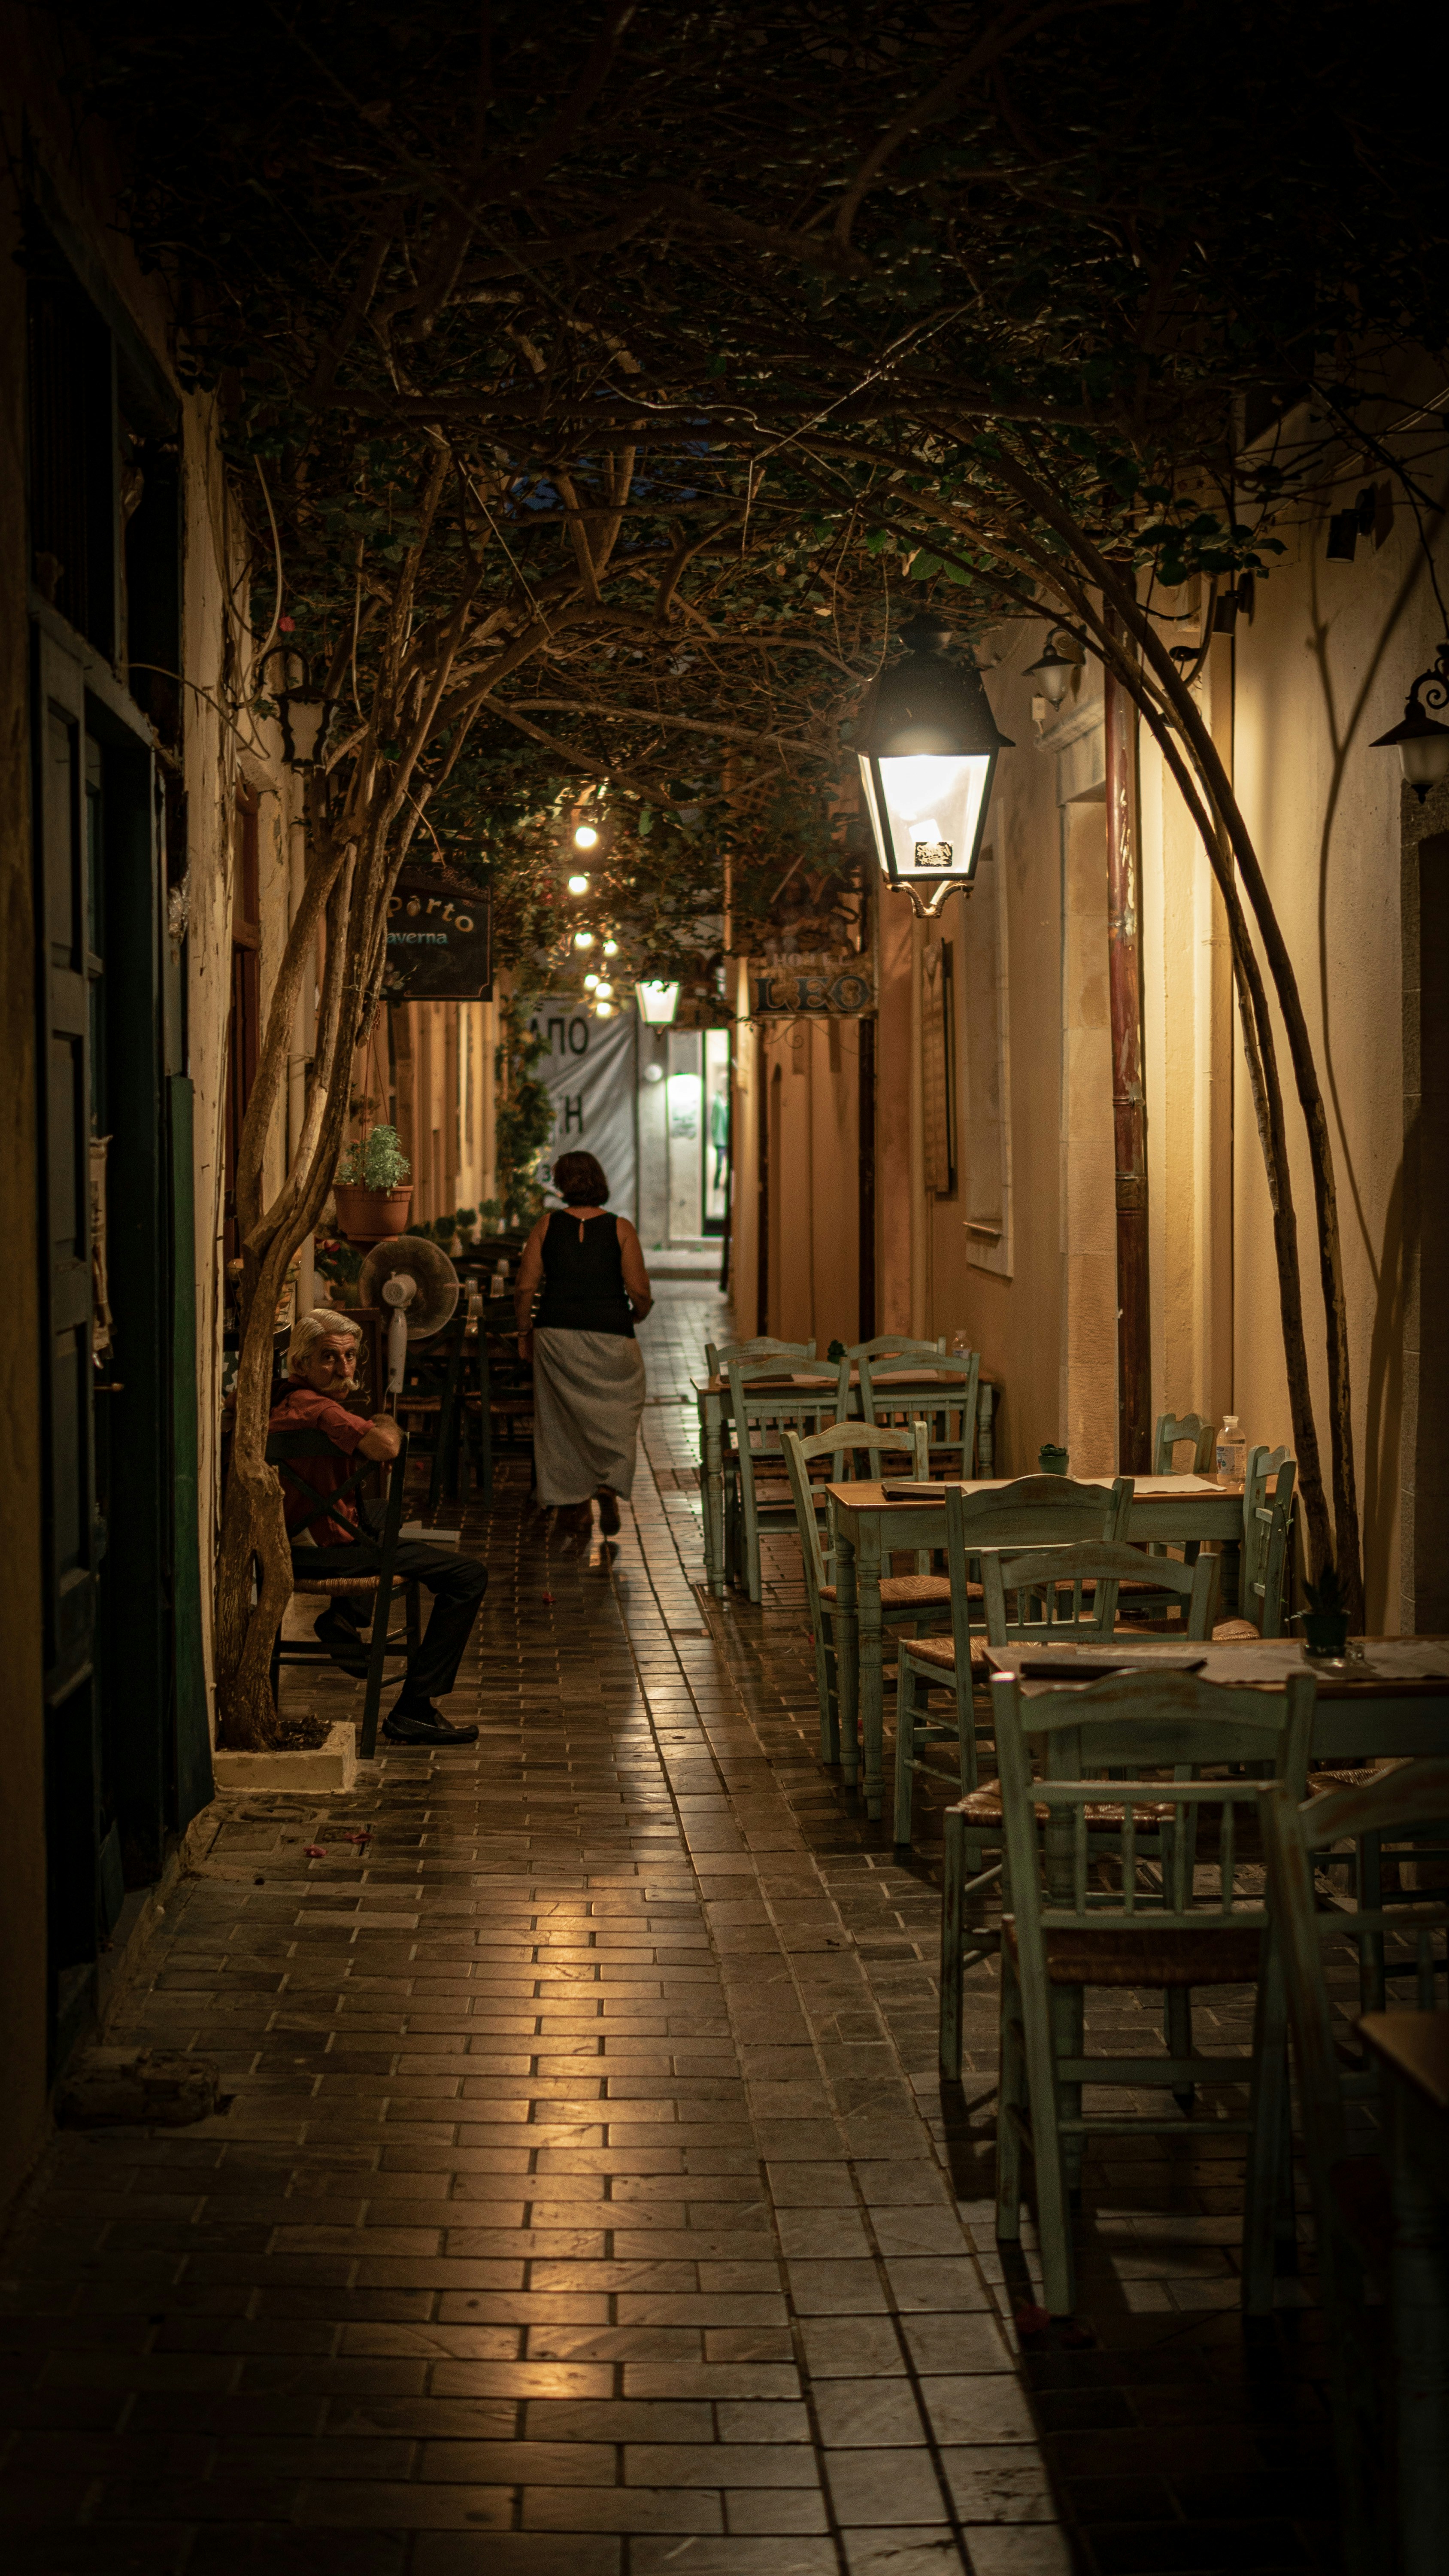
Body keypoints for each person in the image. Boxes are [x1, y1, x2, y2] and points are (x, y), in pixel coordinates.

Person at [269, 1309, 485, 1747]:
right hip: (327, 1550)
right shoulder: (321, 1409)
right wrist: (384, 1420)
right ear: (301, 1363)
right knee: (468, 1577)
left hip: (291, 1535)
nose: (343, 1369)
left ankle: (345, 1619)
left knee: (382, 1509)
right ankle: (414, 1709)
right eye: (328, 1358)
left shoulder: (281, 1396)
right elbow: (385, 1446)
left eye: (349, 1358)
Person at [514, 1150, 652, 1536]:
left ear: (561, 1185)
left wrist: (525, 1332)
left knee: (561, 1421)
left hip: (557, 1336)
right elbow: (639, 1291)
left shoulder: (546, 1226)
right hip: (612, 1335)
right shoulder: (621, 1228)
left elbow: (525, 1287)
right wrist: (636, 1314)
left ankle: (572, 1500)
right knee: (622, 1414)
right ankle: (608, 1482)